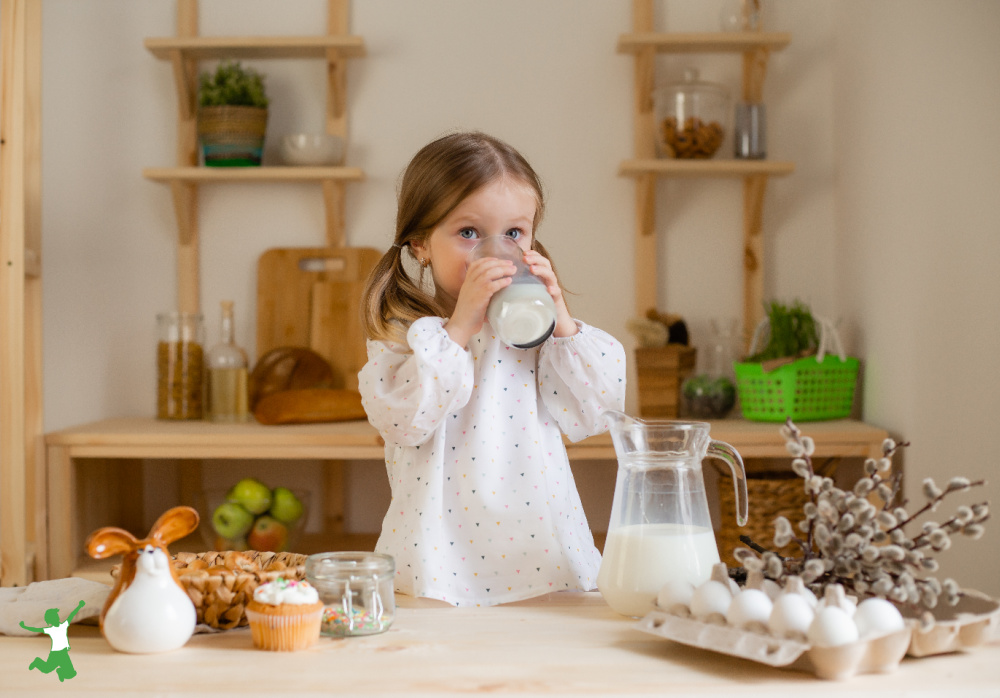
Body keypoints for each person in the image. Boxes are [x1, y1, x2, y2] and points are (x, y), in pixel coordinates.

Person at [358, 131, 626, 607]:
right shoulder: (407, 337)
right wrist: (460, 326)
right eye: (469, 233)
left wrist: (561, 318)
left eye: (514, 234)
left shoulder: (537, 333)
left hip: (540, 556)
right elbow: (402, 421)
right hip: (439, 560)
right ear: (420, 243)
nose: (497, 250)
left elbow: (594, 413)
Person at [19, 600, 85, 682]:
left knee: (71, 673)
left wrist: (79, 606)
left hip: (63, 652)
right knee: (47, 669)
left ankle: (60, 671)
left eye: (56, 616)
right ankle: (37, 662)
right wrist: (24, 626)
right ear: (50, 620)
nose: (56, 618)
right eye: (54, 617)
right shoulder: (50, 630)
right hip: (55, 654)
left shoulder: (63, 625)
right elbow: (36, 629)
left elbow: (71, 615)